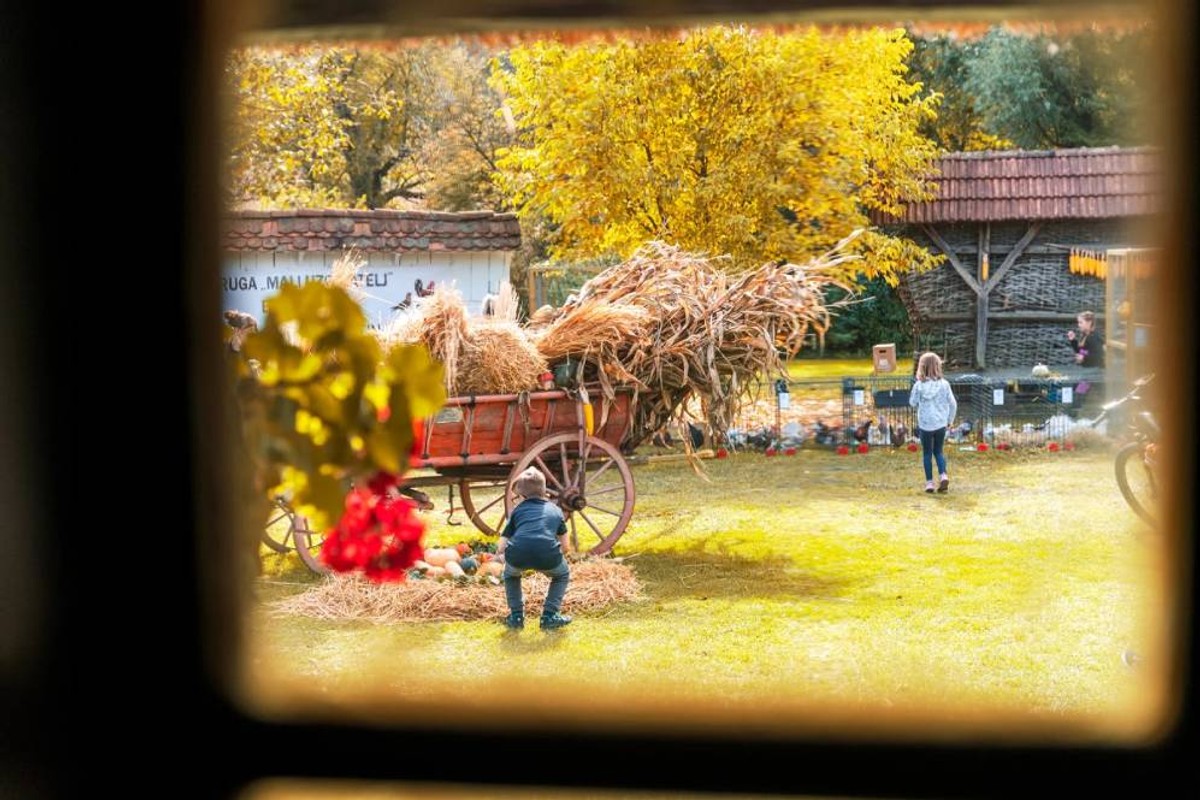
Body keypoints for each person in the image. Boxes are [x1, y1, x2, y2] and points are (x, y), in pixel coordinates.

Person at [497, 467, 573, 630]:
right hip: (548, 554)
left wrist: (501, 555)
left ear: (522, 496)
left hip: (517, 554)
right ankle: (549, 616)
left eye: (516, 498)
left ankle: (516, 616)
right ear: (544, 491)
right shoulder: (556, 510)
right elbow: (566, 547)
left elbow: (501, 545)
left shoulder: (517, 511)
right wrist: (553, 554)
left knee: (511, 575)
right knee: (562, 575)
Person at [909, 351, 957, 494]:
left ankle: (929, 483)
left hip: (925, 425)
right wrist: (950, 420)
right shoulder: (944, 384)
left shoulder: (919, 385)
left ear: (921, 367)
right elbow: (953, 404)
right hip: (941, 423)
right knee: (938, 451)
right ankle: (943, 475)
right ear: (937, 366)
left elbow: (912, 403)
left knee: (927, 453)